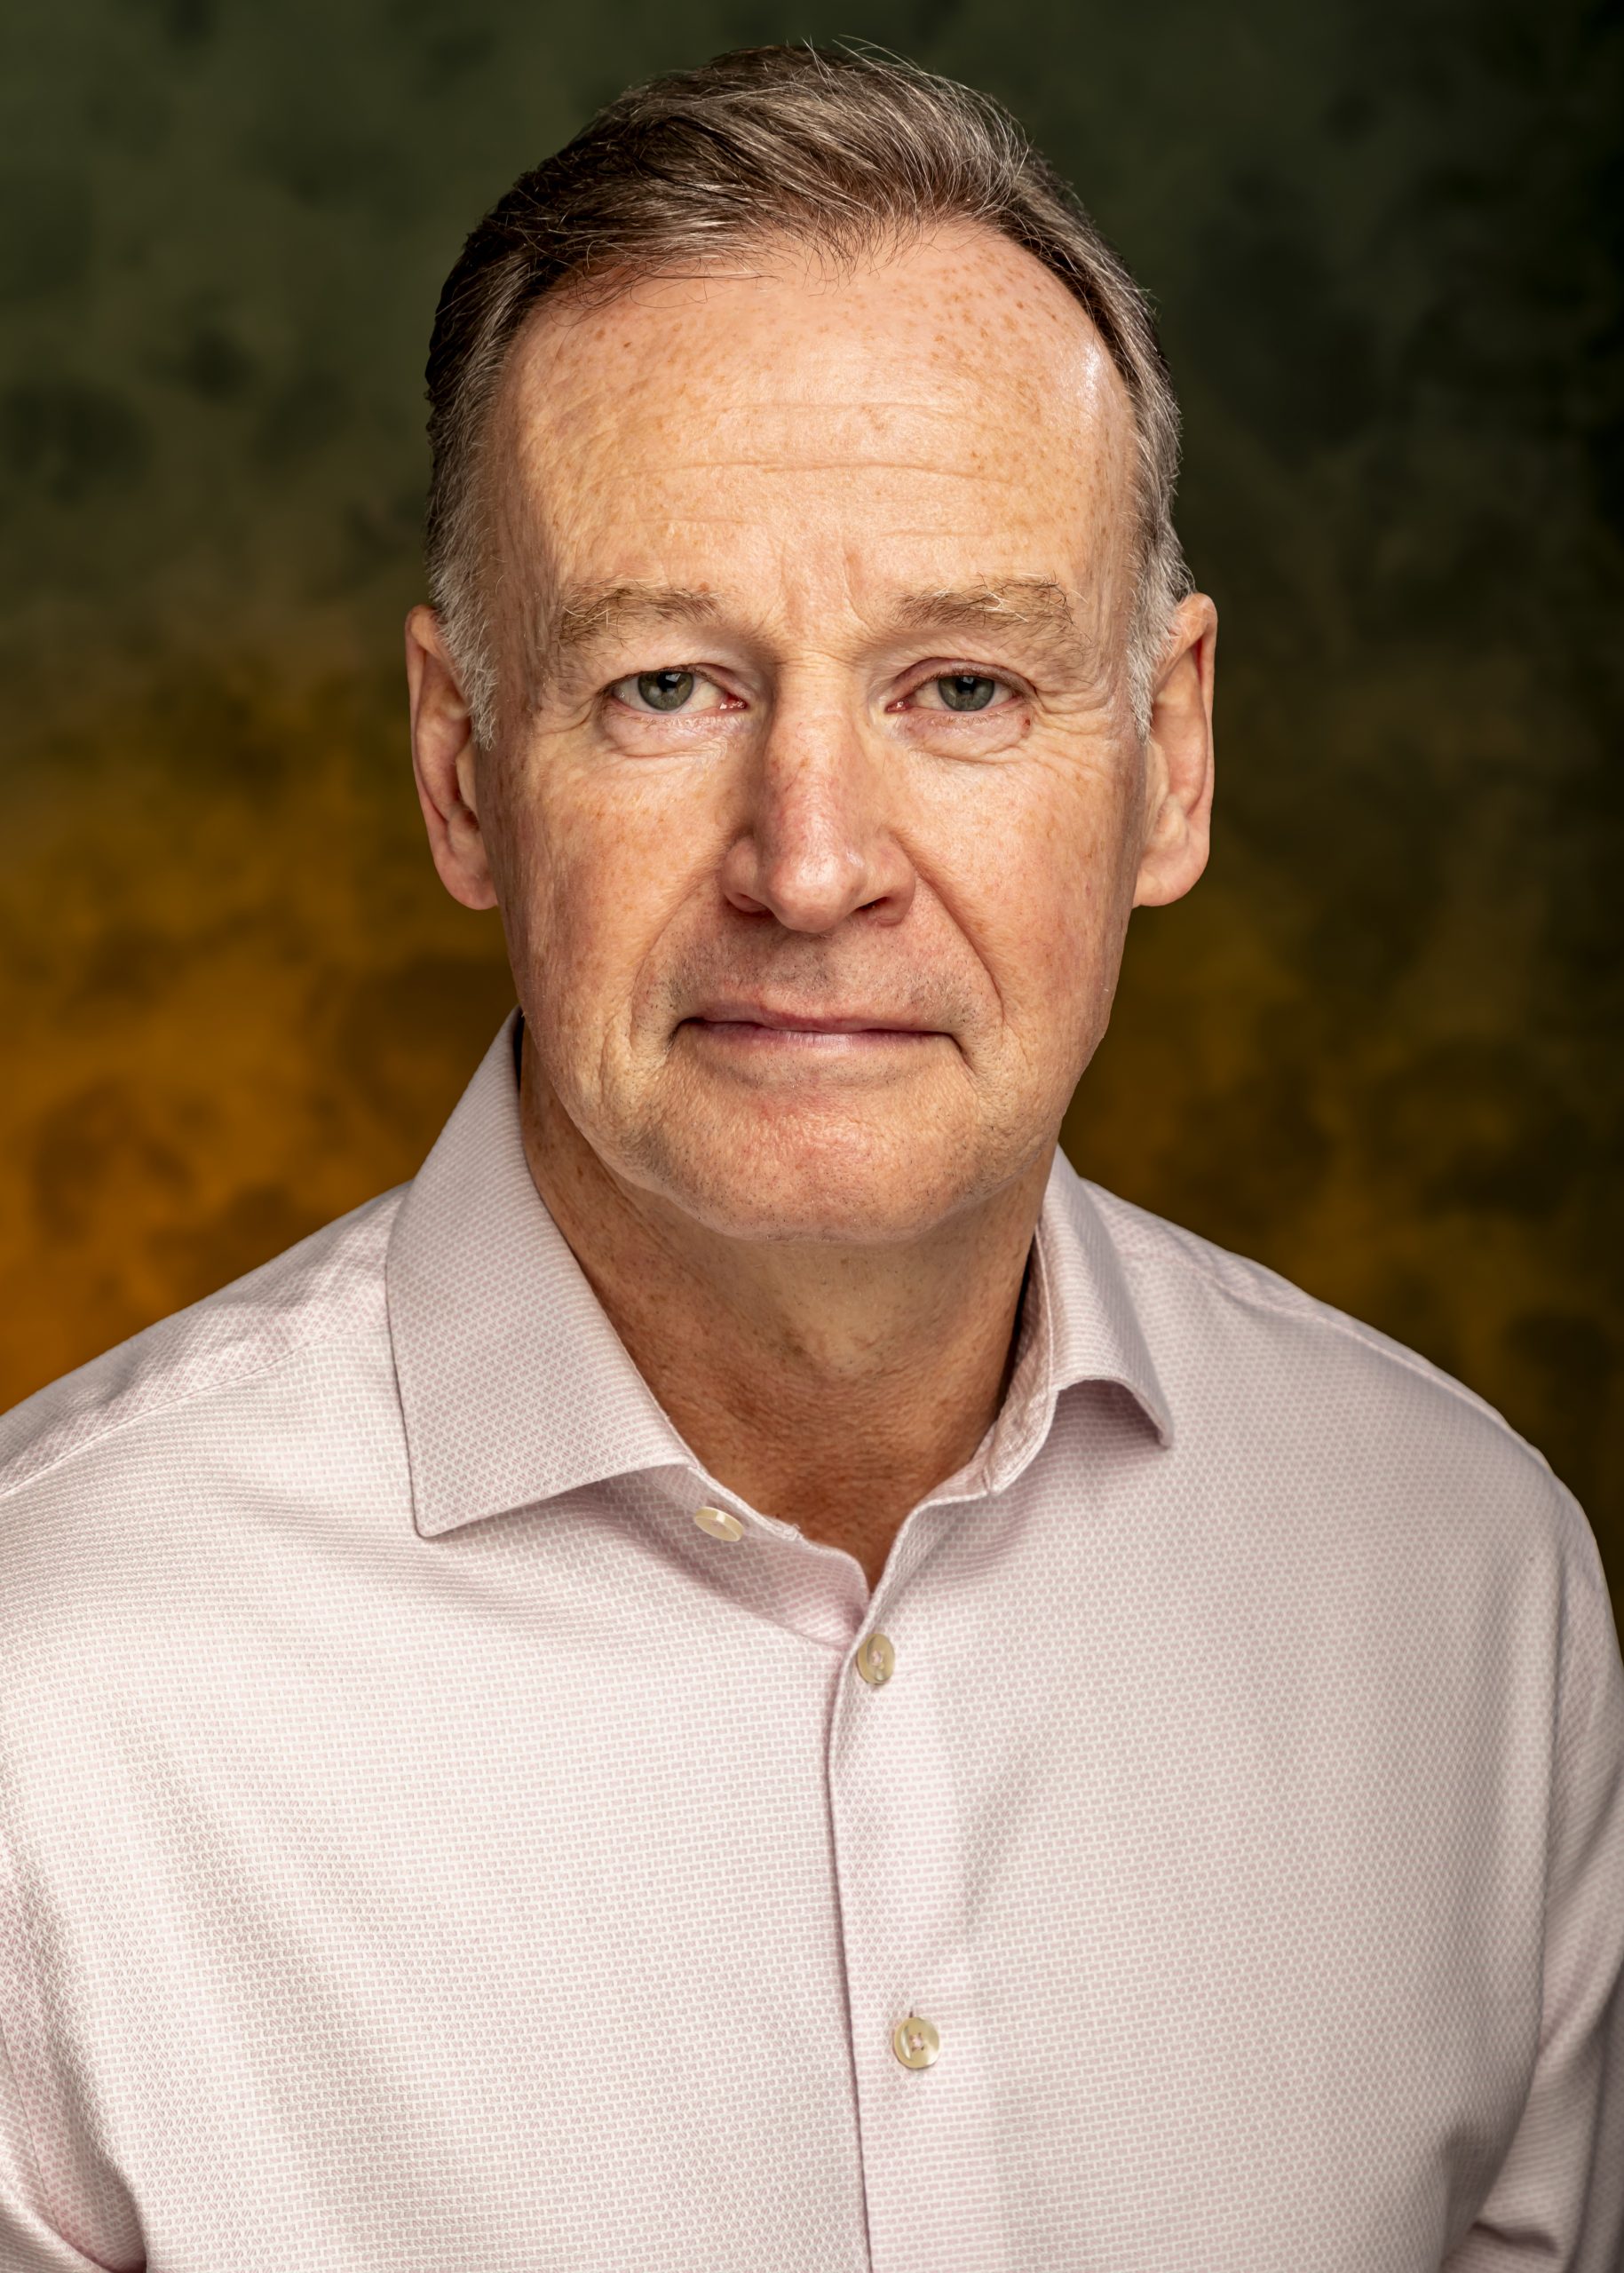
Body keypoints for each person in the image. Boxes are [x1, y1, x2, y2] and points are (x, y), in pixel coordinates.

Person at [0, 43, 1619, 2273]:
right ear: (463, 772)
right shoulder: (50, 1691)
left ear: (1171, 758)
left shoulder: (1476, 1599)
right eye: (668, 684)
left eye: (961, 685)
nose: (815, 859)